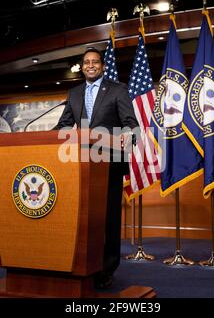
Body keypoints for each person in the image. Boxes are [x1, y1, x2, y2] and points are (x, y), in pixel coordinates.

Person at [54, 48, 138, 288]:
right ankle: (83, 264)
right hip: (78, 166)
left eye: (95, 62)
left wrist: (129, 137)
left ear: (102, 66)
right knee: (83, 219)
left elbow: (131, 124)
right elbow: (63, 125)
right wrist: (44, 140)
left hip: (108, 165)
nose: (90, 65)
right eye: (86, 62)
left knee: (108, 219)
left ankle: (107, 269)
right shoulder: (74, 93)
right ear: (82, 67)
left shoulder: (117, 90)